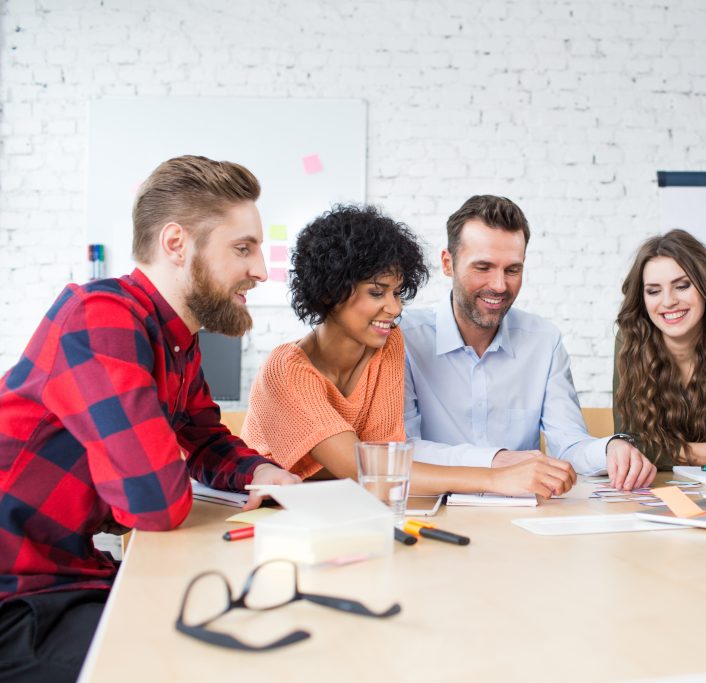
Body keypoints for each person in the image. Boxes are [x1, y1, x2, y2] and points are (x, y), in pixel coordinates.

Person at [0, 155, 299, 682]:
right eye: (242, 248)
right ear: (177, 243)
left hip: (69, 571)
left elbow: (205, 439)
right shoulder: (100, 317)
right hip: (18, 594)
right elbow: (153, 502)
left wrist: (263, 474)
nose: (260, 269)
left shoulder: (176, 340)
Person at [242, 205, 578, 498]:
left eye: (397, 293)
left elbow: (391, 457)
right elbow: (366, 467)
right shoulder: (286, 370)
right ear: (330, 292)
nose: (394, 307)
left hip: (346, 504)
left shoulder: (388, 344)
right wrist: (496, 477)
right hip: (270, 511)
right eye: (377, 293)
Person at [402, 195, 657, 492]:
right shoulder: (406, 338)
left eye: (512, 269)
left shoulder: (543, 341)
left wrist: (612, 448)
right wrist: (495, 460)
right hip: (431, 506)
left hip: (521, 515)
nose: (499, 286)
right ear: (448, 263)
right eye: (483, 267)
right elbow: (401, 448)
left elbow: (569, 444)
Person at [613, 229, 706, 468]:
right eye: (654, 291)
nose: (668, 301)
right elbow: (629, 445)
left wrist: (669, 452)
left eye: (682, 286)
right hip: (656, 490)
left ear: (704, 286)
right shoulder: (631, 339)